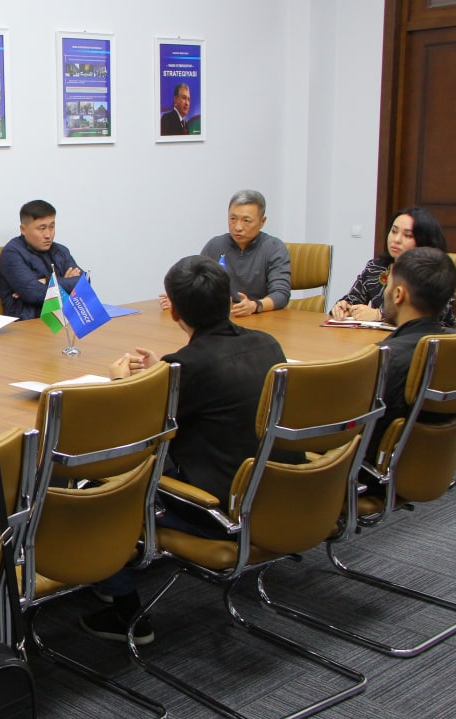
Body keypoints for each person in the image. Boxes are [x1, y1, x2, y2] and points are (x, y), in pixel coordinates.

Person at [83, 255, 297, 644]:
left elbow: (129, 438)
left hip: (222, 512)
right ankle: (112, 574)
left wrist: (120, 386)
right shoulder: (268, 344)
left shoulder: (188, 367)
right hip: (280, 496)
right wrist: (161, 375)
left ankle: (126, 611)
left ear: (175, 311)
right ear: (228, 299)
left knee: (99, 489)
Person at [366, 247, 456, 474]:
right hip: (426, 468)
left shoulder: (384, 360)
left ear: (398, 294)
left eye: (388, 285)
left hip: (365, 474)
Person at [331, 206, 456, 327]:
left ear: (424, 241)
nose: (396, 240)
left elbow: (429, 317)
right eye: (394, 231)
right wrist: (344, 307)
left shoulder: (435, 270)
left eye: (407, 235)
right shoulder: (376, 267)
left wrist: (379, 315)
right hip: (383, 336)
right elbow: (354, 298)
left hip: (431, 337)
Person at [180, 189, 290, 316]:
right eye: (233, 218)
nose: (238, 227)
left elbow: (281, 294)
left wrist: (255, 306)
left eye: (246, 221)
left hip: (261, 316)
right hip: (223, 316)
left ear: (262, 222)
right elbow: (196, 283)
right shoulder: (215, 245)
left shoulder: (274, 248)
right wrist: (179, 300)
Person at [0, 200, 84, 320]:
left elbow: (84, 283)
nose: (48, 235)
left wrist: (45, 281)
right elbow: (33, 293)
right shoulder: (12, 253)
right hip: (28, 323)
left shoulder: (60, 250)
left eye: (52, 227)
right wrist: (65, 281)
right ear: (23, 229)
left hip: (63, 317)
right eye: (42, 228)